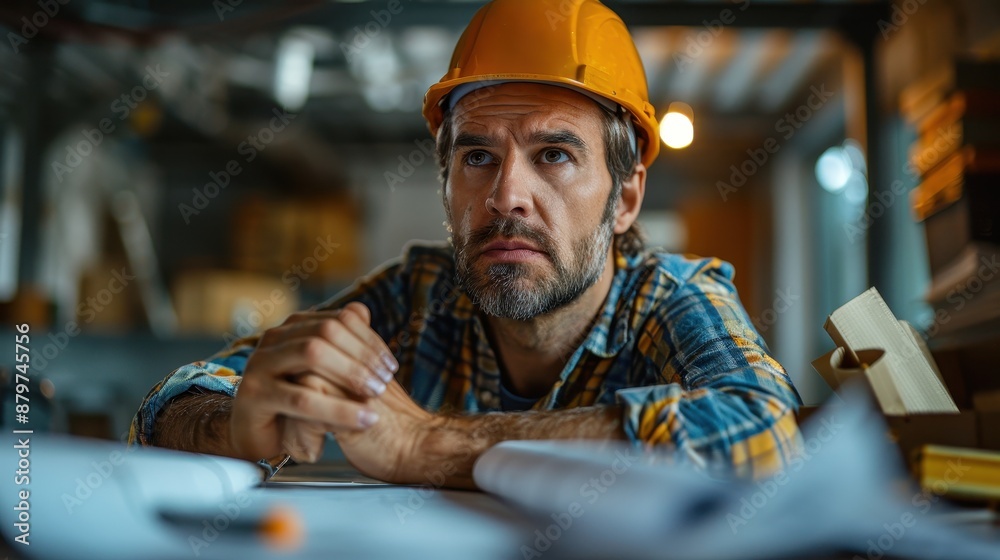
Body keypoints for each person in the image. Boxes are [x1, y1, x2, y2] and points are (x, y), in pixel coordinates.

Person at [130, 0, 802, 487]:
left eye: (554, 155)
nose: (506, 196)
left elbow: (769, 432)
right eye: (478, 157)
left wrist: (428, 443)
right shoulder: (420, 295)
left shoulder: (668, 299)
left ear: (624, 199)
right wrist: (232, 423)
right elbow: (172, 402)